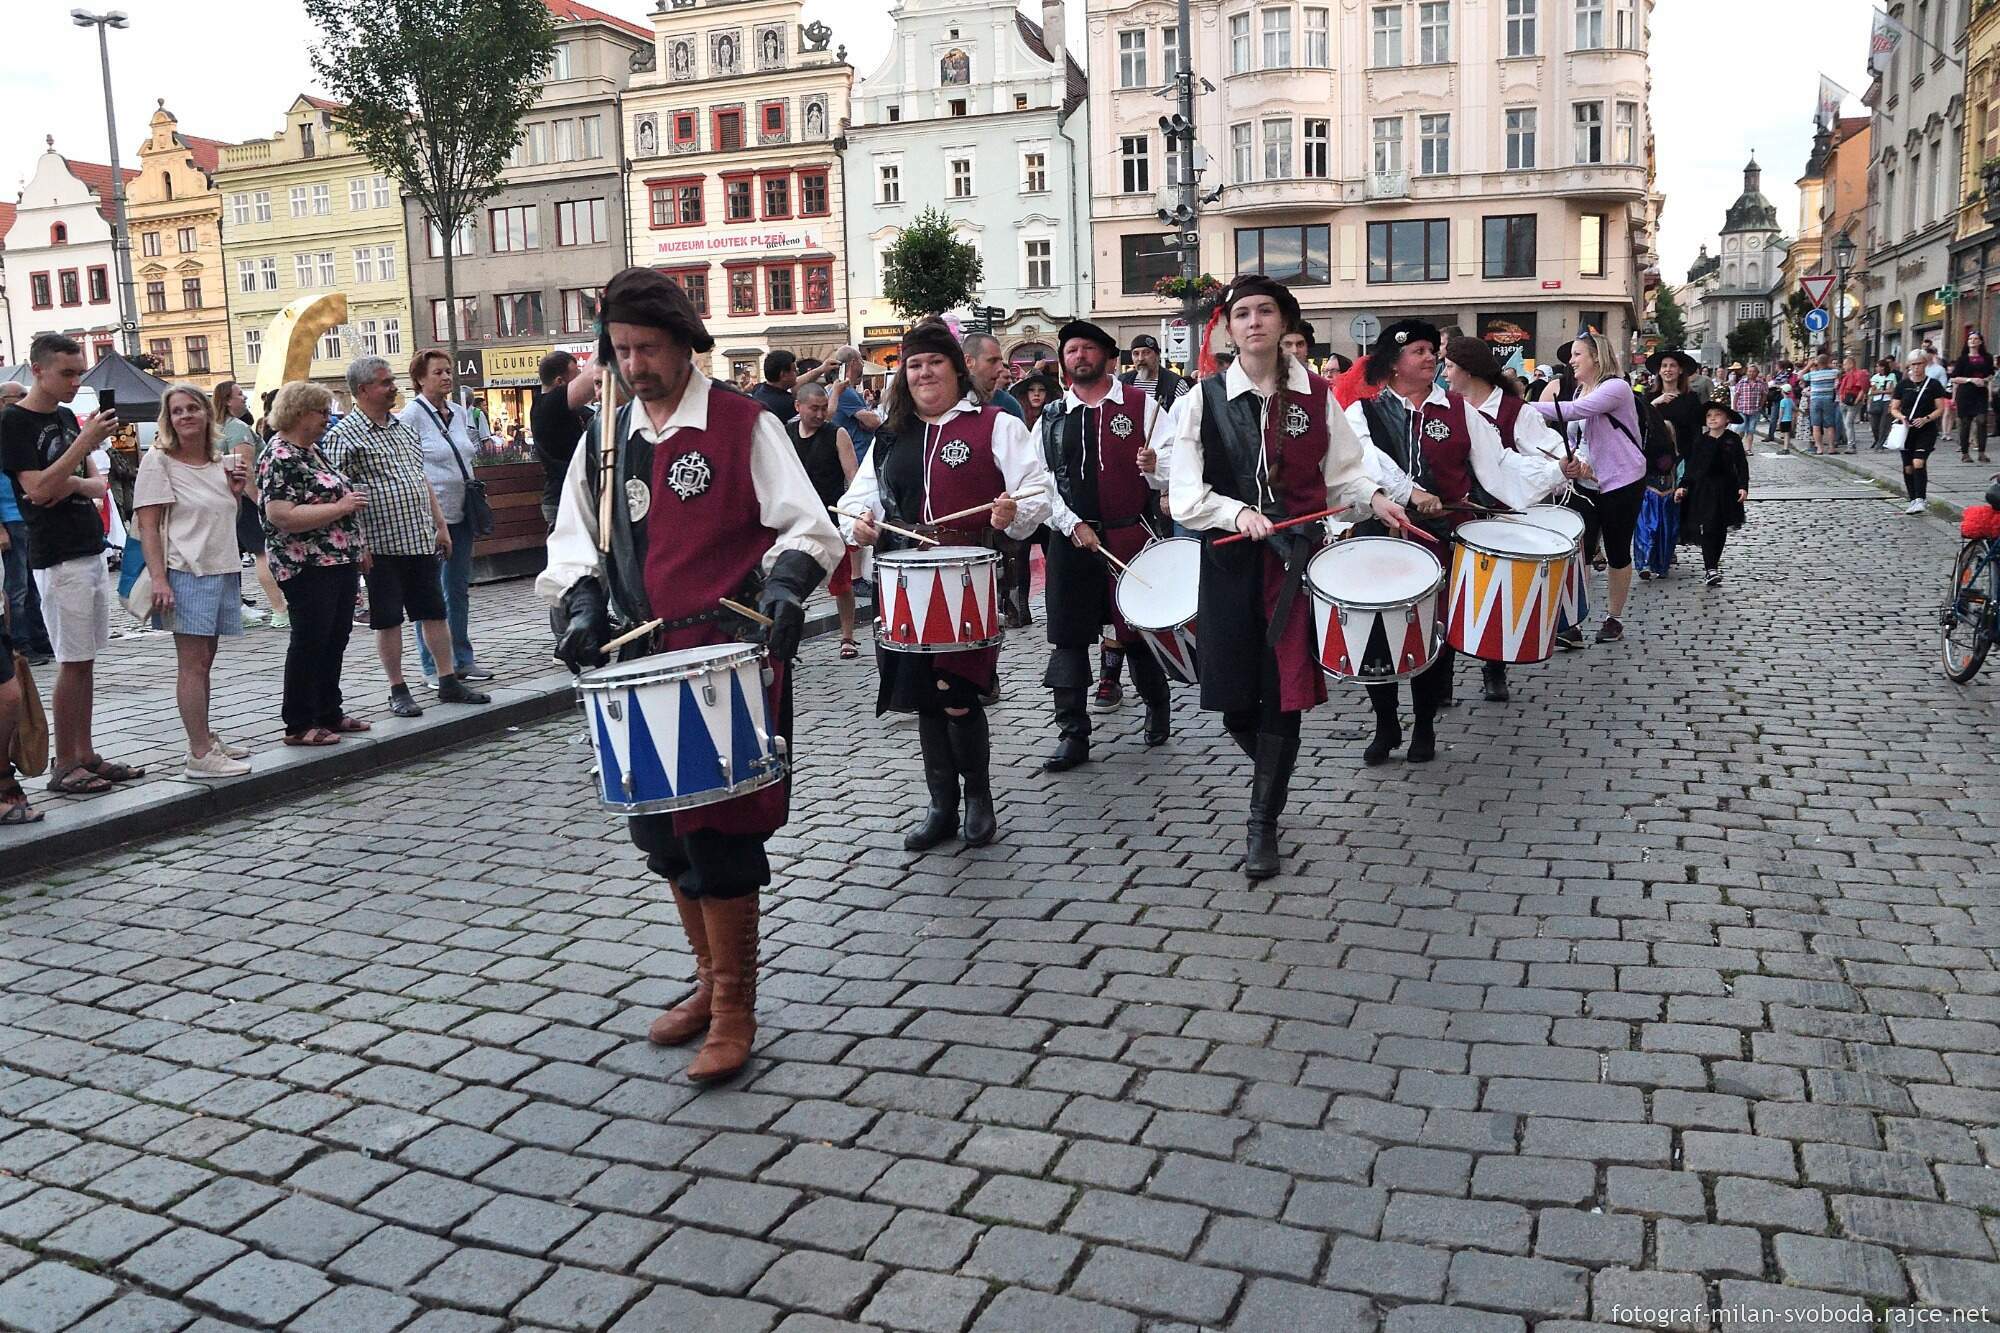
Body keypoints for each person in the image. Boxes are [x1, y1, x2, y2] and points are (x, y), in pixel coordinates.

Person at [540, 267, 840, 1084]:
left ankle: (738, 1007)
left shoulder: (742, 422)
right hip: (640, 665)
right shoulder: (606, 439)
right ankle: (709, 985)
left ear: (684, 343)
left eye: (647, 348)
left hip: (723, 658)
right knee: (665, 838)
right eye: (621, 351)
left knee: (723, 838)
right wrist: (579, 606)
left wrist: (784, 586)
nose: (633, 366)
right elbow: (571, 543)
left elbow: (810, 527)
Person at [1170, 276, 1412, 879]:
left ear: (1284, 324)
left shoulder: (1319, 395)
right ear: (1228, 328)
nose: (1254, 322)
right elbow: (1183, 494)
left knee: (1283, 694)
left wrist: (1374, 498)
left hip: (1294, 564)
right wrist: (1236, 512)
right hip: (1228, 561)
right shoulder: (1201, 398)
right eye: (1242, 313)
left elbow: (1344, 473)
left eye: (1265, 312)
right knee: (1231, 705)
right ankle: (1271, 774)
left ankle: (1262, 823)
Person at [838, 320, 1051, 853]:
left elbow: (1037, 493)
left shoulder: (996, 425)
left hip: (968, 579)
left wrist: (1011, 510)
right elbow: (858, 499)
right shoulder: (891, 437)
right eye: (913, 365)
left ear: (956, 369)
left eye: (934, 362)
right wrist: (859, 521)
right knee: (924, 700)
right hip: (904, 579)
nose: (923, 372)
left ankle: (978, 799)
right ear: (903, 376)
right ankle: (941, 805)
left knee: (957, 695)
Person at [1353, 326, 1563, 740]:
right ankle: (1385, 723)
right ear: (1394, 364)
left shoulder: (1458, 409)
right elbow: (1361, 461)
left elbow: (1498, 464)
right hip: (1382, 536)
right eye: (1419, 351)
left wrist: (1556, 470)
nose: (1431, 357)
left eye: (1433, 350)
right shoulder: (1363, 412)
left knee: (1431, 634)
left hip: (1440, 539)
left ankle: (1425, 727)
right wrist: (1410, 492)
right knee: (1378, 633)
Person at [0, 333, 139, 796]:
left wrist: (71, 480)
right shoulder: (15, 423)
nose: (75, 381)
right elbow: (38, 490)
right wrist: (80, 448)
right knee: (70, 659)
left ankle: (84, 752)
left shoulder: (63, 416)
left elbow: (94, 485)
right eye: (67, 372)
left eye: (79, 372)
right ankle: (66, 763)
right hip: (55, 551)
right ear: (37, 369)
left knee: (85, 660)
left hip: (87, 542)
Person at [322, 355, 490, 719]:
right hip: (379, 546)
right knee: (388, 619)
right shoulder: (343, 436)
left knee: (433, 610)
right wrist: (359, 542)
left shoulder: (401, 428)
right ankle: (397, 688)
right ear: (363, 390)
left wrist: (440, 525)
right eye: (385, 382)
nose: (393, 387)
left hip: (417, 538)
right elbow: (337, 494)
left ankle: (448, 680)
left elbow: (421, 479)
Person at [1037, 320, 1171, 770]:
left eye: (1087, 349)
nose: (1078, 356)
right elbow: (1040, 483)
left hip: (1129, 535)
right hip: (1071, 540)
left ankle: (1157, 704)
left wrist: (1155, 467)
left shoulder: (1142, 406)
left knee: (1136, 633)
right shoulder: (1053, 416)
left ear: (1108, 357)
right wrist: (1071, 523)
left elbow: (1174, 470)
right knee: (1069, 639)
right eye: (1071, 350)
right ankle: (1072, 733)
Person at [1437, 335, 1573, 702]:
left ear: (1468, 370)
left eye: (1449, 367)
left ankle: (1494, 669)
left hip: (1500, 513)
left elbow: (1547, 445)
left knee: (1495, 593)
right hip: (1456, 514)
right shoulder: (1445, 407)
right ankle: (1442, 680)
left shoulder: (1515, 410)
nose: (1444, 374)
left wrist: (1566, 463)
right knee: (1447, 594)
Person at [133, 384, 253, 778]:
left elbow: (222, 518)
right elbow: (148, 527)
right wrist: (159, 579)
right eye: (177, 411)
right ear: (168, 420)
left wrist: (235, 493)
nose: (185, 416)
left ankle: (203, 736)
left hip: (220, 567)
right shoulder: (159, 462)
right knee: (193, 664)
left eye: (192, 409)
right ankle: (200, 754)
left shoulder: (217, 461)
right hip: (185, 571)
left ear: (206, 414)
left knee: (206, 661)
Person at [258, 382, 371, 747]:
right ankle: (299, 721)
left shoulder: (312, 451)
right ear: (299, 413)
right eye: (321, 412)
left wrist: (358, 546)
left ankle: (329, 711)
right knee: (310, 640)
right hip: (305, 562)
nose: (327, 418)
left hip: (337, 558)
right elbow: (281, 515)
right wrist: (340, 508)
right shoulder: (279, 456)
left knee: (335, 637)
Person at [1529, 333, 1648, 643]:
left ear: (1597, 357)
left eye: (1577, 354)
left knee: (1617, 550)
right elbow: (1575, 435)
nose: (1571, 361)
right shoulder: (1582, 389)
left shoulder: (1616, 388)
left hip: (1621, 481)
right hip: (1586, 483)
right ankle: (1573, 621)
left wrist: (1522, 407)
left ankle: (1614, 618)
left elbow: (1573, 412)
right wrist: (1575, 460)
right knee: (1578, 550)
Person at [399, 350, 494, 690]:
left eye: (449, 371)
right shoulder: (411, 416)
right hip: (430, 517)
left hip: (463, 511)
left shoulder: (457, 411)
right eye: (438, 372)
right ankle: (432, 665)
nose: (446, 377)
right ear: (420, 379)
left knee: (458, 589)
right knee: (431, 593)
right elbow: (410, 466)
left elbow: (466, 451)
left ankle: (463, 659)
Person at [788, 382, 861, 657]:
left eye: (823, 408)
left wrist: (854, 511)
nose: (820, 414)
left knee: (841, 582)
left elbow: (852, 474)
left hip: (831, 518)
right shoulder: (786, 434)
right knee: (793, 582)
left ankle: (847, 637)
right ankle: (789, 639)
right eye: (814, 409)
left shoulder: (836, 433)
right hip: (797, 520)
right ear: (798, 407)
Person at [214, 381, 287, 631]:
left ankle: (234, 608)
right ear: (226, 400)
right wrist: (259, 502)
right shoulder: (237, 429)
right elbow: (243, 469)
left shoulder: (216, 428)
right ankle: (280, 609)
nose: (244, 398)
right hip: (244, 501)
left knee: (231, 557)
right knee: (262, 553)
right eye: (239, 395)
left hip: (222, 500)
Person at [1637, 349, 1702, 583]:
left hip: (1679, 458)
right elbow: (1639, 423)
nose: (1667, 370)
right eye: (1664, 366)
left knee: (1673, 505)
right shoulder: (1648, 395)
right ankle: (1648, 553)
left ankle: (1667, 548)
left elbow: (1695, 432)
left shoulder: (1690, 399)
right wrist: (1655, 403)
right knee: (1649, 507)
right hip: (1651, 459)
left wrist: (1693, 460)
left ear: (1680, 370)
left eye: (1672, 366)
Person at [0, 382, 54, 665]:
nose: (24, 400)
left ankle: (39, 639)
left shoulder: (16, 431)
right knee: (17, 586)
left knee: (33, 584)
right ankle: (19, 645)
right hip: (10, 518)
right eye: (18, 396)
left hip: (27, 515)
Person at [1677, 402, 1750, 586]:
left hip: (1726, 489)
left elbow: (1741, 465)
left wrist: (1743, 486)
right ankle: (1710, 568)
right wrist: (1683, 485)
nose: (1713, 418)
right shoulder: (1701, 440)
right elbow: (1692, 466)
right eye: (1709, 415)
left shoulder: (1732, 439)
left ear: (1727, 420)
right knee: (1708, 527)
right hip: (1704, 490)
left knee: (1720, 528)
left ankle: (1714, 563)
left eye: (1717, 415)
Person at [532, 351, 596, 533]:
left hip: (569, 497)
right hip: (563, 500)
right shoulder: (549, 405)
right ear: (560, 382)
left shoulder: (566, 410)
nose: (579, 380)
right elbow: (593, 377)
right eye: (576, 376)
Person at [1891, 347, 1949, 515]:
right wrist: (1902, 417)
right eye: (1913, 364)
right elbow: (1894, 408)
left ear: (1925, 364)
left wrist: (1926, 419)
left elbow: (1940, 408)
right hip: (1907, 430)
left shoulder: (1933, 385)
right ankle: (1912, 499)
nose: (1916, 367)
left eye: (1920, 364)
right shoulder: (1903, 385)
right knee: (1908, 467)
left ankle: (1920, 499)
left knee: (1919, 462)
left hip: (1926, 429)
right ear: (1909, 365)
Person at [828, 347, 881, 463]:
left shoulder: (846, 389)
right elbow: (874, 422)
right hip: (857, 458)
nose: (862, 365)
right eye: (861, 361)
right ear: (853, 363)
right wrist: (871, 417)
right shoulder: (844, 390)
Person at [1951, 330, 1994, 464]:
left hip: (1981, 393)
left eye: (1976, 339)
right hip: (1965, 393)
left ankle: (1981, 452)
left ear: (1980, 342)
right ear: (1967, 343)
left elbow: (1991, 374)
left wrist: (1985, 380)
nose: (1973, 341)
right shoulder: (1962, 359)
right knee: (1965, 423)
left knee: (1982, 421)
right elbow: (1954, 378)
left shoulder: (1987, 358)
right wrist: (1970, 380)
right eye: (1970, 339)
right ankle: (1965, 453)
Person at [963, 332, 1025, 421]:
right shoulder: (948, 402)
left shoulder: (1008, 404)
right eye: (992, 361)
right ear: (969, 361)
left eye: (1000, 361)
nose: (1000, 368)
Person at [1120, 334, 1190, 407]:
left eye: (1146, 352)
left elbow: (1186, 414)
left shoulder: (1176, 385)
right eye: (1136, 354)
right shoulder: (1123, 382)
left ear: (1157, 355)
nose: (1140, 358)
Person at [1801, 352, 1841, 455]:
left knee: (1816, 425)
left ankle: (1819, 448)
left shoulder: (1813, 374)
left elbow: (1800, 375)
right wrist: (1828, 364)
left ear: (1817, 363)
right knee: (1830, 425)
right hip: (1828, 400)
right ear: (1827, 362)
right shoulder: (1833, 372)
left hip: (1815, 400)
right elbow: (1841, 371)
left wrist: (1809, 365)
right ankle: (1831, 447)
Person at [752, 350, 799, 419]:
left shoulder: (758, 390)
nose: (797, 373)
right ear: (783, 375)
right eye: (794, 370)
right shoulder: (787, 404)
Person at [1837, 355, 1870, 454]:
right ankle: (1849, 443)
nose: (1843, 366)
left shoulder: (1859, 374)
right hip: (1843, 401)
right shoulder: (1845, 375)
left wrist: (1857, 401)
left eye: (1845, 364)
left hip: (1852, 402)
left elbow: (1863, 389)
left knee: (1848, 423)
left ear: (1851, 364)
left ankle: (1851, 445)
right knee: (1846, 424)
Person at [1731, 364, 1768, 445]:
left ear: (1757, 373)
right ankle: (1737, 444)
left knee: (1751, 430)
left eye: (1754, 371)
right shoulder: (1742, 382)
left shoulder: (1761, 383)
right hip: (1742, 409)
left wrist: (1760, 406)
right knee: (1741, 428)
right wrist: (1734, 407)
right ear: (1747, 372)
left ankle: (1748, 449)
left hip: (1754, 410)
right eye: (1750, 371)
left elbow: (1764, 395)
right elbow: (1736, 395)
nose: (1751, 373)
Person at [1868, 357, 1900, 449]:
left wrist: (1891, 401)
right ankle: (1877, 440)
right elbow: (1872, 391)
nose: (1876, 368)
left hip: (1887, 401)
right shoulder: (1875, 377)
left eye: (1878, 366)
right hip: (1876, 401)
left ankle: (1880, 443)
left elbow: (1893, 390)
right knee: (1874, 424)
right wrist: (1885, 391)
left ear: (1883, 367)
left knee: (1884, 424)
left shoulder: (1892, 376)